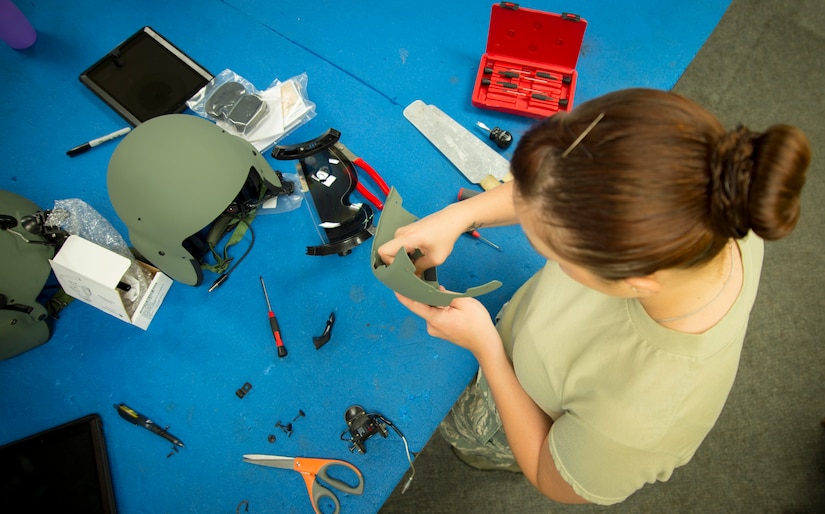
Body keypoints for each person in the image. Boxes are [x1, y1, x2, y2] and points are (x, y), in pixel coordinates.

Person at [377, 88, 810, 505]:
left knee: (468, 435)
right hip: (537, 338)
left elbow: (551, 477)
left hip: (528, 414)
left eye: (556, 253)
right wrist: (461, 215)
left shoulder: (640, 419)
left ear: (632, 283)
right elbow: (560, 184)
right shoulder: (714, 199)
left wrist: (488, 351)